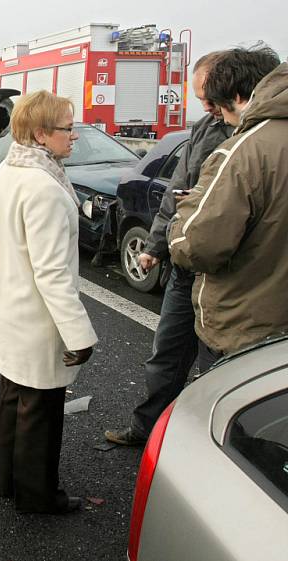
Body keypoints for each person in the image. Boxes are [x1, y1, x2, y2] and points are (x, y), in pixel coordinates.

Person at [104, 52, 234, 446]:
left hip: (224, 273)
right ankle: (148, 431)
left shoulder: (253, 136)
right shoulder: (205, 128)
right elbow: (175, 196)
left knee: (219, 368)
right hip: (185, 267)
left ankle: (209, 450)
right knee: (166, 356)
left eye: (210, 96)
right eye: (200, 98)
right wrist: (157, 247)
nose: (207, 106)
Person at [0, 90, 97, 514]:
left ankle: (7, 483)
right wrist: (79, 335)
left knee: (14, 400)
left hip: (10, 308)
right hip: (36, 317)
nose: (75, 137)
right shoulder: (44, 187)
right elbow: (52, 274)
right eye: (69, 128)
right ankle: (38, 496)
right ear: (41, 133)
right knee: (41, 412)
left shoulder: (10, 169)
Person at [168, 45, 285, 371]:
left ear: (236, 96)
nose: (214, 114)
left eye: (217, 105)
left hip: (244, 325)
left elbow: (199, 247)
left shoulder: (242, 152)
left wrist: (183, 220)